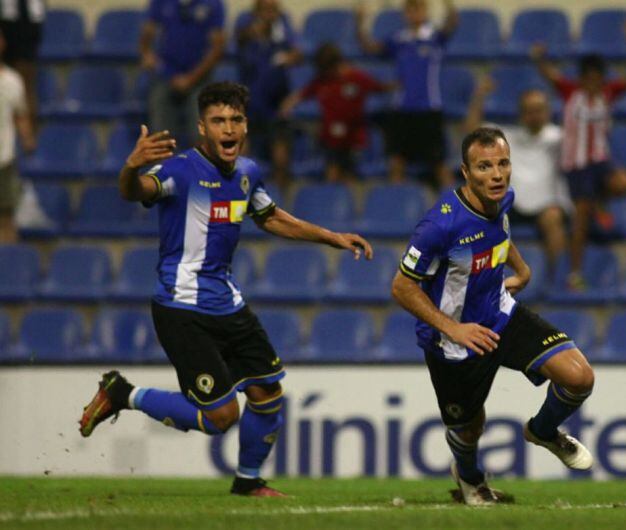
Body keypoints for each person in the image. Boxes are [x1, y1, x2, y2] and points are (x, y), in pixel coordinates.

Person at [78, 82, 374, 497]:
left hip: (228, 304)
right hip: (181, 307)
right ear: (203, 128)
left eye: (235, 120)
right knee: (221, 417)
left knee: (267, 393)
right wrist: (130, 168)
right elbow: (134, 191)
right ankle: (124, 394)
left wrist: (332, 236)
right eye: (218, 121)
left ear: (246, 126)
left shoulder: (248, 173)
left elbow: (270, 218)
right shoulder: (179, 171)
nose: (228, 128)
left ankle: (248, 483)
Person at [392, 127, 594, 506]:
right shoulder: (440, 226)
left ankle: (543, 431)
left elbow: (498, 233)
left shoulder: (502, 198)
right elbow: (401, 287)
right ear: (466, 173)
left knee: (579, 377)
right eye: (484, 167)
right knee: (469, 430)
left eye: (503, 163)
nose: (497, 174)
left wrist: (522, 267)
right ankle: (470, 481)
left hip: (501, 315)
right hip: (454, 342)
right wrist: (454, 328)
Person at [531, 32, 626, 290]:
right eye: (589, 79)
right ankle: (575, 273)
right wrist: (540, 58)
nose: (594, 84)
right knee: (581, 220)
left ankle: (599, 203)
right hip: (576, 165)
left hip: (600, 160)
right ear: (582, 78)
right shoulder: (569, 92)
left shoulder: (608, 93)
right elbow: (550, 75)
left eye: (598, 79)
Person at [464, 77, 570, 270]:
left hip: (546, 203)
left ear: (547, 112)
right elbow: (471, 132)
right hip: (510, 202)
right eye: (529, 111)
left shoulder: (560, 138)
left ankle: (561, 279)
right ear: (521, 114)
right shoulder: (506, 137)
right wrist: (479, 97)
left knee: (553, 217)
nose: (534, 115)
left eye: (538, 110)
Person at [356, 0, 458, 187]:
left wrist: (448, 4)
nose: (414, 13)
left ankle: (457, 213)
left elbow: (452, 23)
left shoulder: (434, 37)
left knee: (440, 166)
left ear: (425, 11)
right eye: (410, 10)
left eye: (418, 8)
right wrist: (361, 23)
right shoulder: (398, 39)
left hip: (428, 109)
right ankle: (396, 211)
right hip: (401, 110)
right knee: (396, 164)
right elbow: (370, 48)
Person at [280, 43, 394, 182]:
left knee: (350, 179)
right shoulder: (321, 81)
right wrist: (287, 104)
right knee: (331, 176)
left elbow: (382, 88)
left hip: (353, 139)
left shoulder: (357, 77)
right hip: (330, 140)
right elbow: (301, 95)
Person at [139, 0, 226, 145]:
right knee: (160, 133)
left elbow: (217, 49)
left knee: (202, 131)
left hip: (199, 78)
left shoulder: (213, 4)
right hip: (166, 77)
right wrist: (150, 59)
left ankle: (200, 166)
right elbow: (146, 36)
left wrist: (190, 79)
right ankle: (164, 166)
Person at [236, 0, 302, 186]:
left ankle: (282, 204)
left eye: (274, 10)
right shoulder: (246, 28)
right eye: (266, 10)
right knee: (239, 157)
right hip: (250, 103)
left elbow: (298, 53)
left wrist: (290, 56)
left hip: (276, 103)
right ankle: (239, 199)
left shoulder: (283, 28)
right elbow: (238, 38)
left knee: (281, 159)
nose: (270, 15)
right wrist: (255, 32)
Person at [0, 29, 36, 243]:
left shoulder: (13, 81)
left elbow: (21, 115)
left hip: (4, 158)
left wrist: (27, 138)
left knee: (6, 217)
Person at [0, 0, 44, 126]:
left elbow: (36, 26)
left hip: (25, 54)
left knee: (26, 96)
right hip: (7, 54)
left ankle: (29, 139)